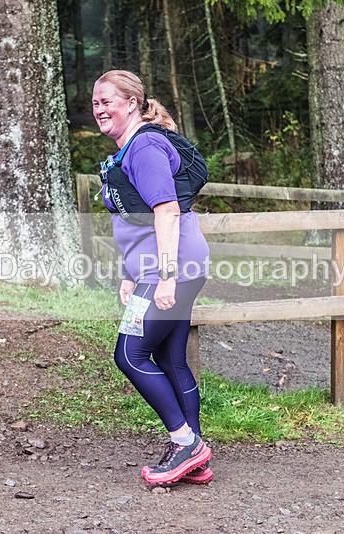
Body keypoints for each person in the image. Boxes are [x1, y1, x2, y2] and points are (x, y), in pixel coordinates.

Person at [92, 70, 212, 486]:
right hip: (167, 267)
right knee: (170, 359)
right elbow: (140, 220)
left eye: (108, 101)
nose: (100, 109)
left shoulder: (143, 146)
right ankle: (196, 456)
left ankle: (186, 443)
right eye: (95, 103)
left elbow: (166, 211)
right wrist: (130, 272)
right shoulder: (131, 148)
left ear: (131, 103)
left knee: (129, 354)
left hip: (172, 269)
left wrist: (165, 277)